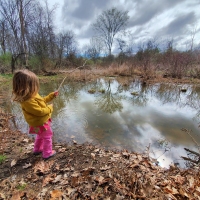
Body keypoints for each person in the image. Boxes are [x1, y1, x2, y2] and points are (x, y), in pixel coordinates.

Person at [12, 69, 58, 159]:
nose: (37, 87)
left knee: (40, 135)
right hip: (41, 123)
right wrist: (50, 108)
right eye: (35, 85)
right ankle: (47, 153)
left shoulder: (32, 95)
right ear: (28, 87)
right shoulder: (28, 101)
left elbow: (43, 101)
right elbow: (40, 112)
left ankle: (37, 149)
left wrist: (51, 96)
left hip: (37, 123)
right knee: (48, 136)